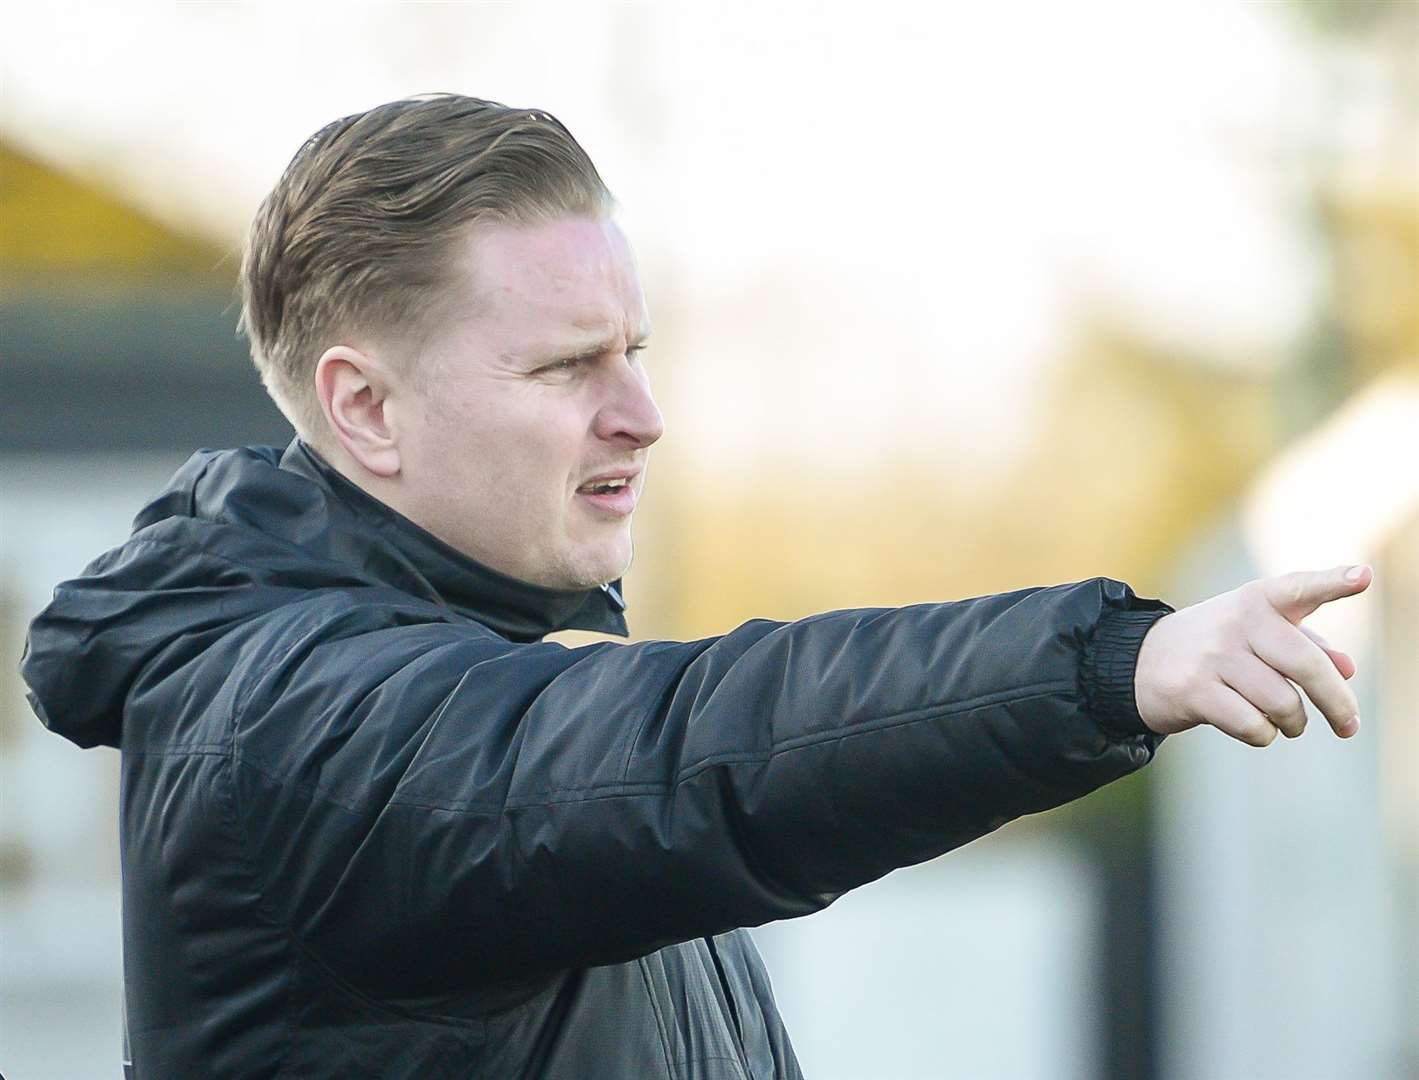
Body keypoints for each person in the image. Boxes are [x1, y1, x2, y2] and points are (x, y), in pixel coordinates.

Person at [20, 93, 1370, 1080]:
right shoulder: (300, 728)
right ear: (364, 407)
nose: (643, 413)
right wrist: (1101, 663)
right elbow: (701, 745)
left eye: (635, 350)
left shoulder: (481, 670)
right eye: (567, 368)